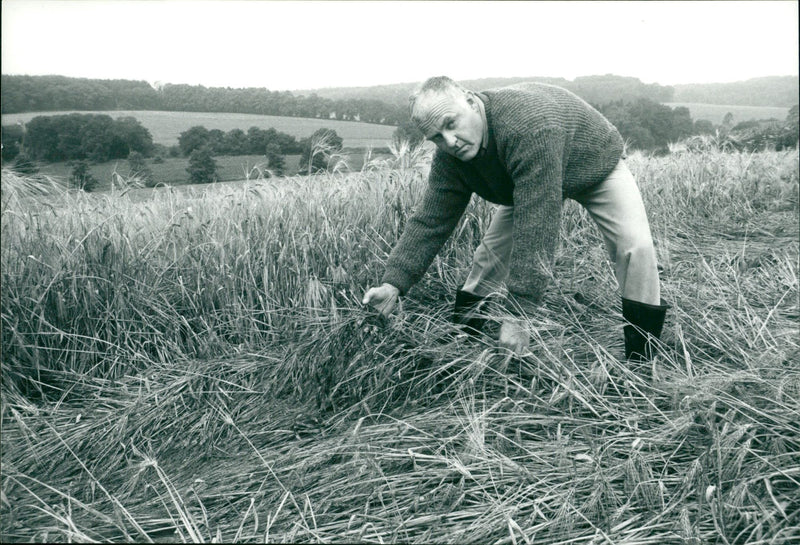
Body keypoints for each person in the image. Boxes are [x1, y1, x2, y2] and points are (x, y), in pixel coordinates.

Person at [363, 76, 669, 360]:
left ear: (470, 101)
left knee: (635, 247)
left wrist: (519, 312)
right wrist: (393, 284)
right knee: (489, 257)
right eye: (438, 137)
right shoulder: (450, 157)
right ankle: (464, 337)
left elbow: (537, 226)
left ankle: (643, 359)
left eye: (451, 123)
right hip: (524, 180)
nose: (451, 141)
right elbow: (430, 220)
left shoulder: (528, 127)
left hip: (592, 165)